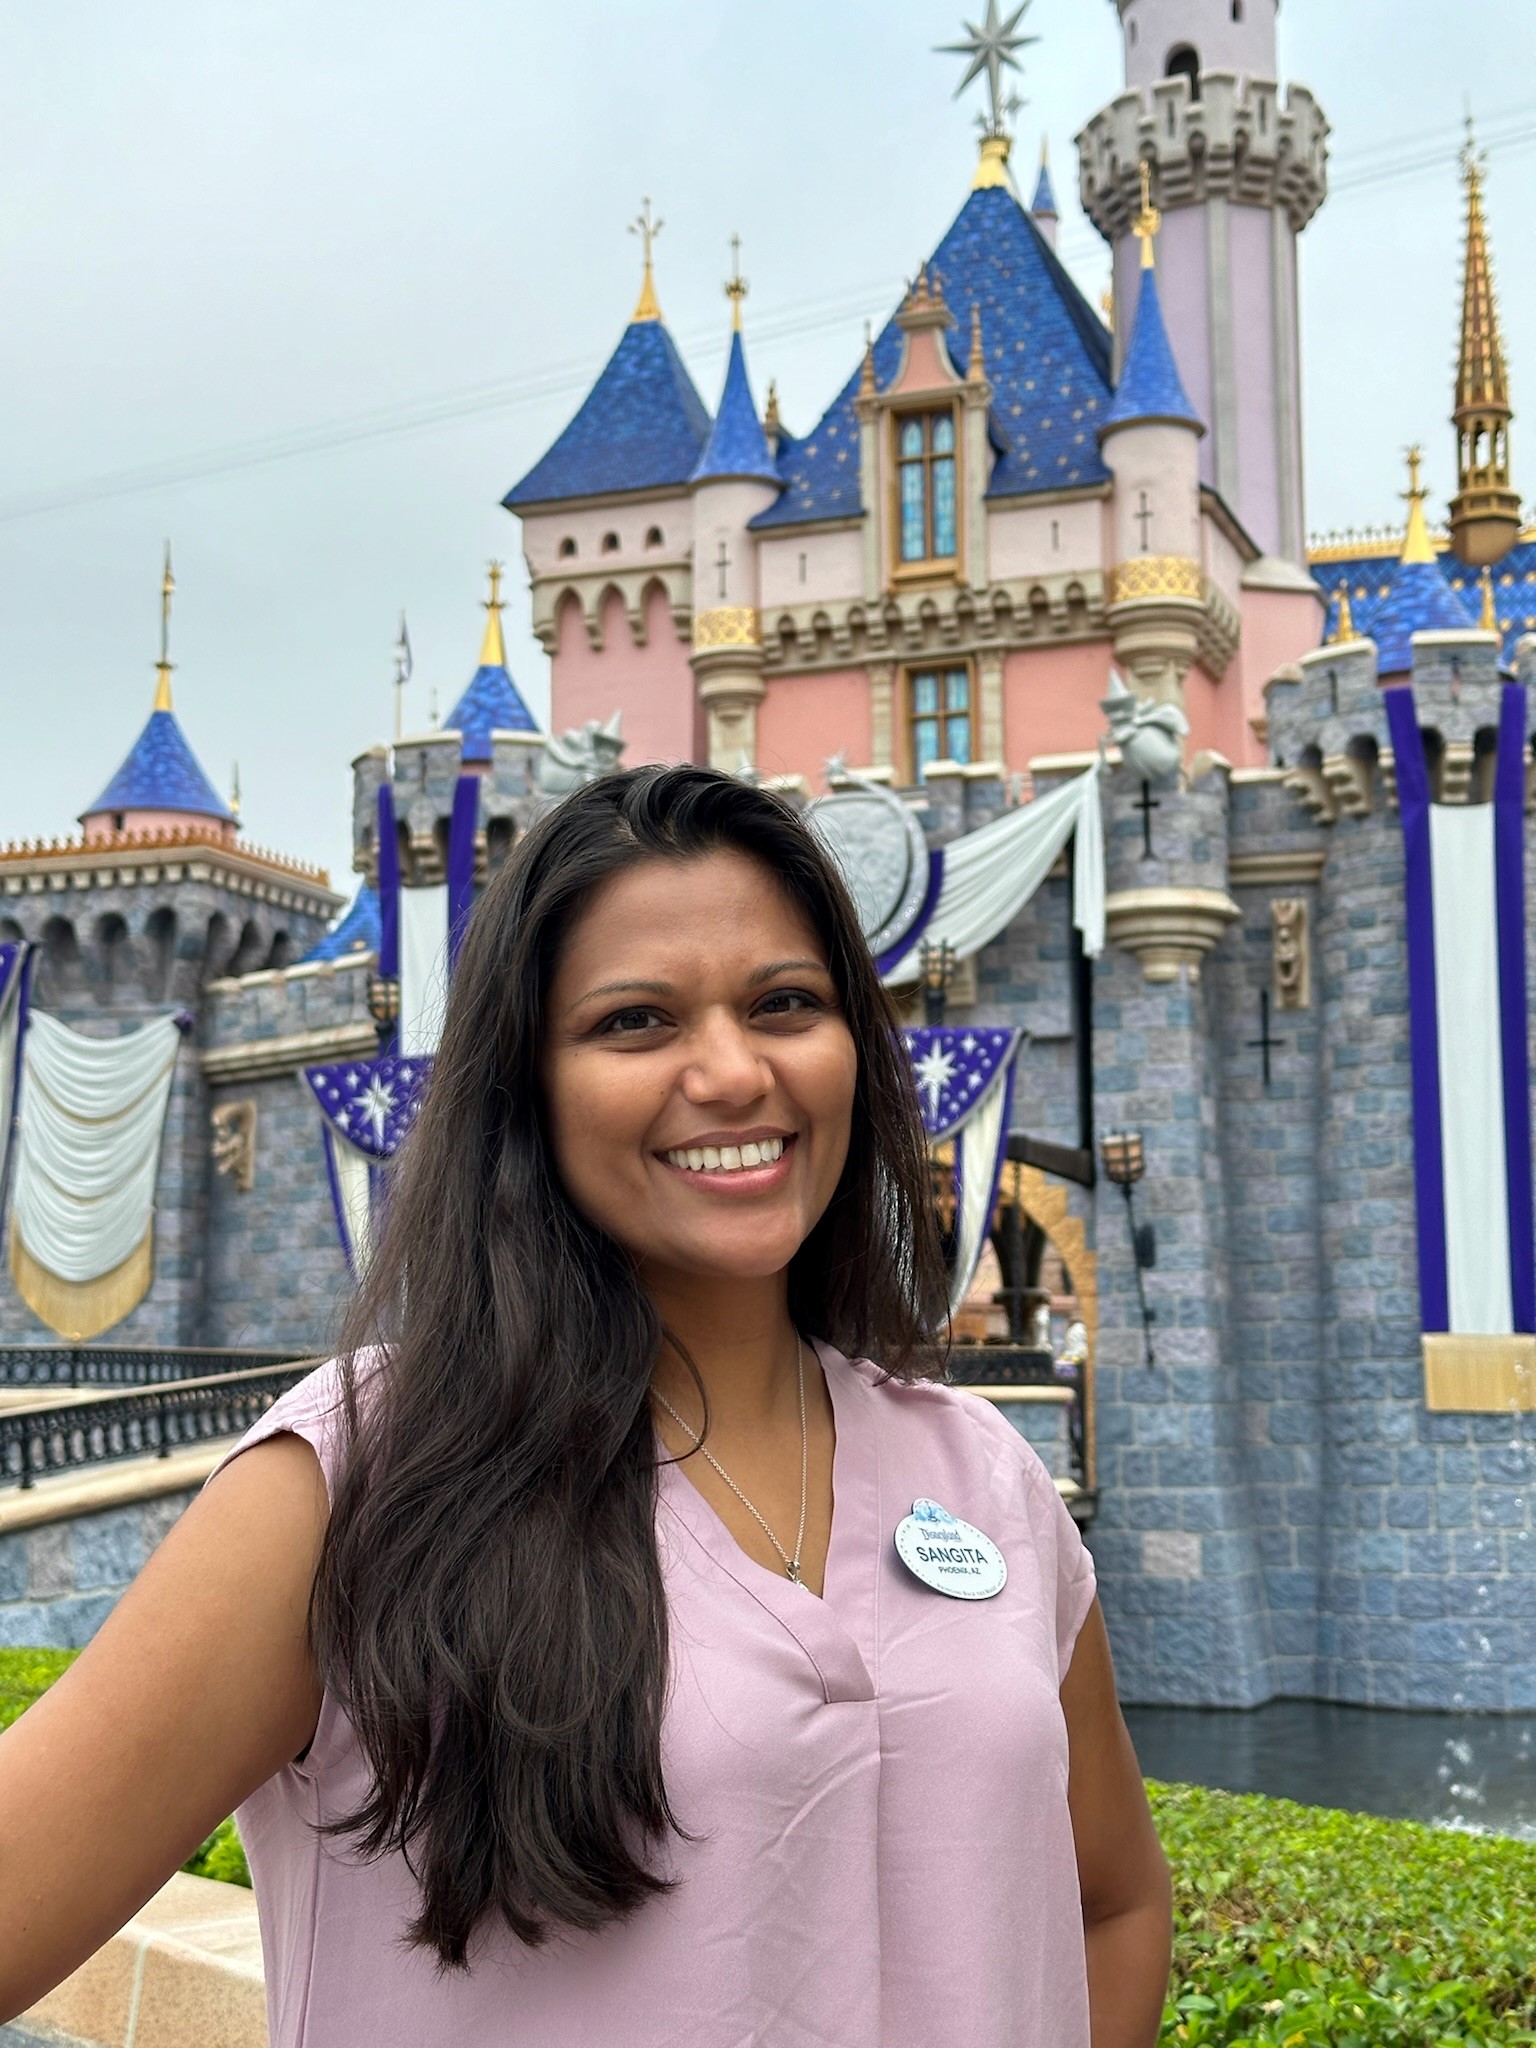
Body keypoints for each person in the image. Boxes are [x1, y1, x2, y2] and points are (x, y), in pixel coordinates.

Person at [0, 765, 1171, 2046]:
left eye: (785, 1002)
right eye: (636, 1021)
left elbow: (1113, 1901)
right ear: (527, 1087)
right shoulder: (353, 1486)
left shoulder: (985, 1476)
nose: (732, 1072)